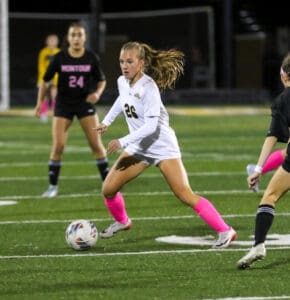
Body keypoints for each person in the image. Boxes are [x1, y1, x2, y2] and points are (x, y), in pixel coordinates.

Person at [95, 41, 236, 248]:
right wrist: (106, 122)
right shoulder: (122, 81)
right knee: (108, 189)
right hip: (139, 146)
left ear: (141, 63)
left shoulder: (148, 87)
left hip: (162, 146)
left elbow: (151, 126)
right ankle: (122, 221)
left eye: (129, 61)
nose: (124, 66)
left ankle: (226, 231)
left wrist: (122, 141)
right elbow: (121, 99)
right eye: (121, 61)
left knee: (184, 194)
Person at [34, 22, 109, 198]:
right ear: (68, 38)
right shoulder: (59, 58)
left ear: (85, 37)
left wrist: (97, 93)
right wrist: (39, 103)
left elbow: (102, 80)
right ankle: (52, 187)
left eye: (79, 35)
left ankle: (109, 185)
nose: (76, 38)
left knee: (96, 145)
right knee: (58, 146)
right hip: (63, 105)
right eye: (73, 35)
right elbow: (45, 81)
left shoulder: (91, 57)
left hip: (84, 104)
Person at [237, 52, 290, 269]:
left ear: (284, 75)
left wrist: (258, 168)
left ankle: (259, 245)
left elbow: (272, 136)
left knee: (270, 195)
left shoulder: (283, 100)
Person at [37, 34, 60, 123]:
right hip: (45, 77)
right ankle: (43, 114)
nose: (52, 43)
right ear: (46, 42)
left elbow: (60, 66)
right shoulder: (43, 52)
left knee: (55, 95)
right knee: (45, 96)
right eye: (50, 41)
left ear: (57, 42)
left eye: (54, 41)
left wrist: (57, 77)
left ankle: (55, 114)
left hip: (56, 77)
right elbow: (41, 66)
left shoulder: (58, 52)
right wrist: (42, 79)